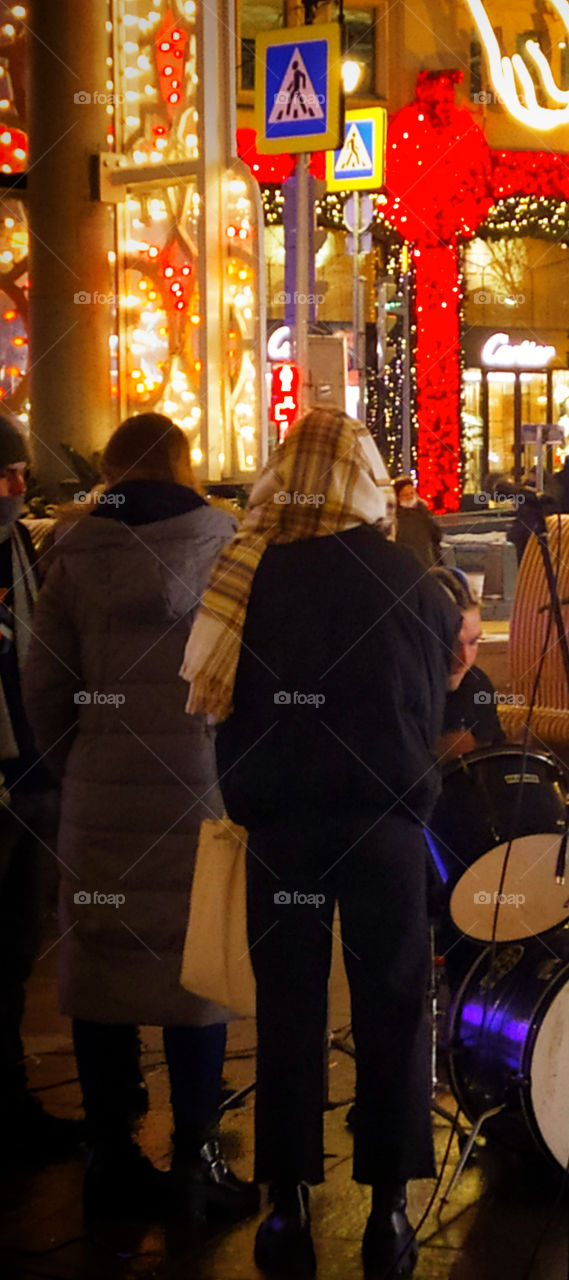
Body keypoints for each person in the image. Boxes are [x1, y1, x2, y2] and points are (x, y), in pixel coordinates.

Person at [183, 408, 461, 1279]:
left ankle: (286, 1210)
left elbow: (222, 705)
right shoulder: (410, 580)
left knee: (290, 1012)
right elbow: (429, 713)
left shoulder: (251, 572)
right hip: (383, 831)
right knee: (392, 1008)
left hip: (284, 830)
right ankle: (386, 1213)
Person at [23, 413, 257, 1223]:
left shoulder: (74, 553)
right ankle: (194, 1161)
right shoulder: (229, 543)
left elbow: (45, 684)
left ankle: (111, 1156)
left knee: (99, 965)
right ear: (185, 464)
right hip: (200, 784)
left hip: (100, 785)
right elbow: (250, 673)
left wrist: (78, 760)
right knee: (200, 967)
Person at [0, 413, 84, 1168]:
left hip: (30, 776)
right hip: (14, 774)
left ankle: (13, 1099)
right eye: (6, 475)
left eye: (22, 473)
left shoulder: (21, 548)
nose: (19, 488)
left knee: (17, 946)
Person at [432, 567, 504, 761]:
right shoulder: (396, 692)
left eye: (473, 642)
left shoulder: (477, 685)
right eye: (451, 645)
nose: (464, 659)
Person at [393, 477, 442, 569]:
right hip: (405, 564)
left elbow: (436, 535)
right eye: (405, 495)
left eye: (412, 493)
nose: (410, 497)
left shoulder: (424, 512)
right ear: (398, 497)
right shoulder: (395, 517)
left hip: (427, 561)